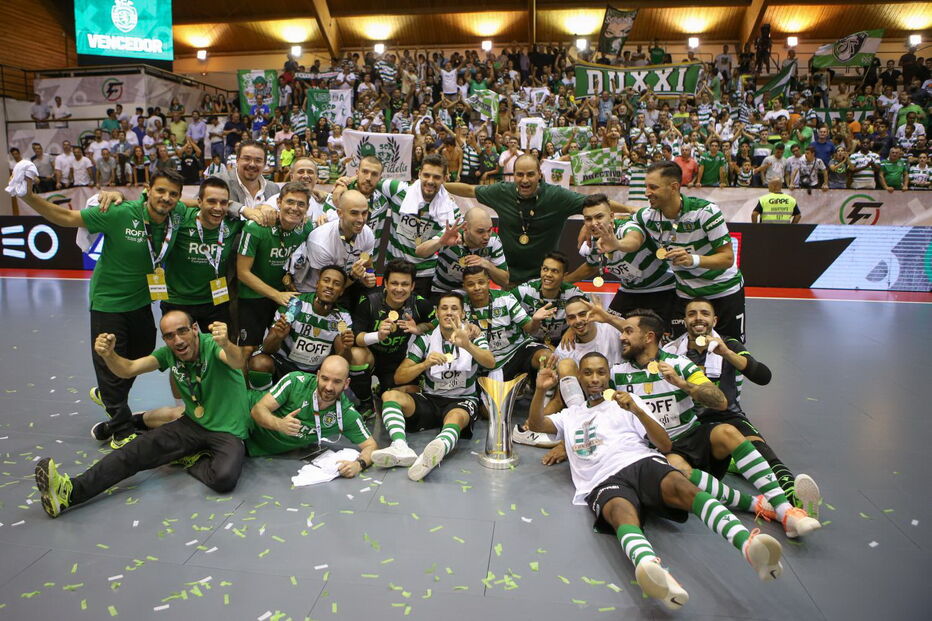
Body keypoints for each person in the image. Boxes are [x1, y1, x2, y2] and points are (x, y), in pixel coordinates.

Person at [526, 353, 786, 610]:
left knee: (683, 487)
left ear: (608, 376)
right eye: (588, 373)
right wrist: (539, 390)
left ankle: (748, 544)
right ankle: (653, 570)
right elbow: (536, 424)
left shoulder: (628, 403)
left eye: (600, 372)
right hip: (601, 480)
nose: (594, 379)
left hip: (641, 461)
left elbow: (664, 444)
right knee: (620, 512)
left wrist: (637, 411)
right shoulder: (571, 414)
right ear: (580, 378)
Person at [610, 310, 820, 539]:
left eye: (628, 331)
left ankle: (786, 511)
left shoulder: (679, 364)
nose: (622, 337)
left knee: (728, 431)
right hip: (661, 448)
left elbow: (720, 402)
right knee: (678, 469)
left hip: (692, 435)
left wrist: (682, 384)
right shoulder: (617, 374)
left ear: (649, 337)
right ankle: (757, 504)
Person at [19, 170, 187, 447]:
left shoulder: (177, 214)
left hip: (142, 301)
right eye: (161, 191)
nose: (166, 198)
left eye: (173, 194)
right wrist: (29, 196)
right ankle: (121, 431)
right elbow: (67, 218)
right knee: (107, 360)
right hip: (109, 302)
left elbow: (198, 204)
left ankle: (110, 395)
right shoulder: (120, 213)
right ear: (147, 190)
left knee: (140, 356)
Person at [34, 313, 252, 518]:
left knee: (224, 478)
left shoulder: (212, 345)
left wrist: (226, 343)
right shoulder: (169, 354)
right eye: (169, 336)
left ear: (195, 329)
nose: (177, 340)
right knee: (133, 452)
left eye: (182, 331)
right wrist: (110, 355)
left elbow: (237, 361)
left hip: (228, 431)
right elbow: (128, 369)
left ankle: (193, 458)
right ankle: (69, 492)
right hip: (192, 425)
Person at [663, 298, 822, 516]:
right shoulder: (670, 351)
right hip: (691, 423)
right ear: (684, 320)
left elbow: (763, 376)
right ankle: (735, 467)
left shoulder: (730, 344)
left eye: (704, 313)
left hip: (729, 417)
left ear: (714, 320)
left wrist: (726, 353)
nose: (698, 318)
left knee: (761, 451)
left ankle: (795, 497)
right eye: (692, 314)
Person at [445, 154, 632, 285]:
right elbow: (469, 190)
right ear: (514, 175)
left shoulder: (557, 197)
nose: (524, 180)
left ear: (539, 175)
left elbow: (598, 203)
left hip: (545, 279)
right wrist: (439, 185)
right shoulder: (501, 191)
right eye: (519, 174)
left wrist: (629, 209)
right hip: (508, 279)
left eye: (530, 174)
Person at [370, 292, 495, 480]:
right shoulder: (426, 339)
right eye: (444, 308)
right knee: (390, 395)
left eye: (454, 308)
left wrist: (467, 345)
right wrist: (424, 364)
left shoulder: (473, 335)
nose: (449, 313)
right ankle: (400, 446)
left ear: (463, 313)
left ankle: (436, 451)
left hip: (461, 400)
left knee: (456, 417)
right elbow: (399, 377)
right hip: (431, 400)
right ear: (437, 313)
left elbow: (490, 362)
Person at [635, 161, 745, 340]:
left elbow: (727, 258)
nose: (647, 192)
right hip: (686, 294)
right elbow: (627, 213)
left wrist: (692, 260)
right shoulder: (649, 216)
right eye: (646, 186)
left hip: (723, 291)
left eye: (653, 187)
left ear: (674, 187)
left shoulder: (706, 212)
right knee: (682, 350)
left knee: (731, 350)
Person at [246, 356, 377, 471]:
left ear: (346, 383)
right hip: (242, 418)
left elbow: (371, 446)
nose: (329, 387)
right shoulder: (295, 382)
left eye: (337, 382)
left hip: (254, 449)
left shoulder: (346, 414)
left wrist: (359, 465)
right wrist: (279, 424)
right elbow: (257, 410)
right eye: (325, 379)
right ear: (318, 375)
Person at [564, 194, 676, 322]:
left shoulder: (626, 227)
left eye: (599, 217)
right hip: (629, 290)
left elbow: (634, 241)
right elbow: (591, 266)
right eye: (588, 219)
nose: (594, 223)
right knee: (609, 329)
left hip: (663, 287)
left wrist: (616, 244)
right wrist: (563, 282)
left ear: (611, 216)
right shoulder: (593, 241)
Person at [247, 265, 360, 387]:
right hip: (283, 364)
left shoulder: (343, 317)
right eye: (326, 280)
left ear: (342, 291)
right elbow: (267, 349)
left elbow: (342, 360)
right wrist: (278, 336)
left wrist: (347, 347)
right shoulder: (294, 304)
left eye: (336, 284)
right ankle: (259, 400)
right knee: (259, 363)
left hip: (315, 372)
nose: (330, 286)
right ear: (317, 283)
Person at [369, 154, 462, 297]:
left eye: (437, 177)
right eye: (426, 175)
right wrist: (344, 183)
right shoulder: (398, 190)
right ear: (419, 174)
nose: (430, 181)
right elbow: (369, 181)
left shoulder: (451, 211)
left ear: (445, 178)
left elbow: (422, 252)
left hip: (424, 274)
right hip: (395, 270)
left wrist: (441, 241)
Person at [236, 182, 315, 349]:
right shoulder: (256, 227)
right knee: (247, 349)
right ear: (279, 203)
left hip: (283, 295)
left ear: (307, 208)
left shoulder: (306, 227)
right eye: (290, 202)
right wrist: (276, 295)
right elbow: (242, 272)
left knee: (282, 346)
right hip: (253, 296)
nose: (295, 208)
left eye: (301, 204)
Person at [162, 177, 244, 331]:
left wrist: (247, 210)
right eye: (211, 201)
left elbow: (256, 214)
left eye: (223, 203)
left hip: (215, 301)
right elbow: (156, 201)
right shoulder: (182, 217)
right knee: (181, 350)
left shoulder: (232, 223)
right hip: (177, 301)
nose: (218, 208)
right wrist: (116, 195)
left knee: (219, 350)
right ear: (199, 202)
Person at [352, 259, 436, 403]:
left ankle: (383, 389)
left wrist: (419, 328)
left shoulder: (419, 303)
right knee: (356, 355)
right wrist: (377, 336)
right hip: (370, 357)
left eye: (405, 284)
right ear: (385, 283)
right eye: (394, 283)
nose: (399, 289)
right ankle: (365, 402)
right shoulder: (369, 300)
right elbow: (357, 337)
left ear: (412, 286)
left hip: (396, 362)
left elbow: (435, 323)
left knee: (411, 394)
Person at [462, 265, 554, 381]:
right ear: (464, 287)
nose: (477, 288)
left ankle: (550, 396)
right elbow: (434, 326)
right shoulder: (459, 307)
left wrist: (535, 320)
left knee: (546, 358)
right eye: (470, 284)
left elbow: (531, 329)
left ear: (488, 283)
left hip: (515, 352)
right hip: (483, 361)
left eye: (481, 282)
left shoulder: (505, 299)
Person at [288, 189, 376, 305]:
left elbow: (368, 264)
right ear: (340, 213)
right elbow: (329, 287)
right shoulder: (320, 241)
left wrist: (369, 275)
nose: (361, 219)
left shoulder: (367, 233)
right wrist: (354, 276)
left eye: (364, 213)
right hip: (312, 291)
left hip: (344, 285)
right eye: (354, 213)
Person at [419, 206, 509, 298]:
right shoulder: (453, 232)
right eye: (480, 232)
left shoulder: (493, 241)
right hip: (442, 290)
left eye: (489, 230)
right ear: (466, 228)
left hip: (473, 295)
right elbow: (420, 252)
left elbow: (505, 281)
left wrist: (487, 265)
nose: (486, 236)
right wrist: (441, 242)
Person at [324, 156, 390, 261]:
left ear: (380, 178)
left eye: (374, 174)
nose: (368, 178)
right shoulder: (338, 196)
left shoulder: (384, 199)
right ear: (357, 173)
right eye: (365, 172)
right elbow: (324, 228)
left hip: (369, 263)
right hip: (338, 263)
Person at [208, 140, 280, 225]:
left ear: (264, 165)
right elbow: (196, 203)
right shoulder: (219, 180)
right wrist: (242, 209)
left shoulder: (273, 188)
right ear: (237, 160)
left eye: (258, 160)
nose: (252, 164)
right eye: (247, 159)